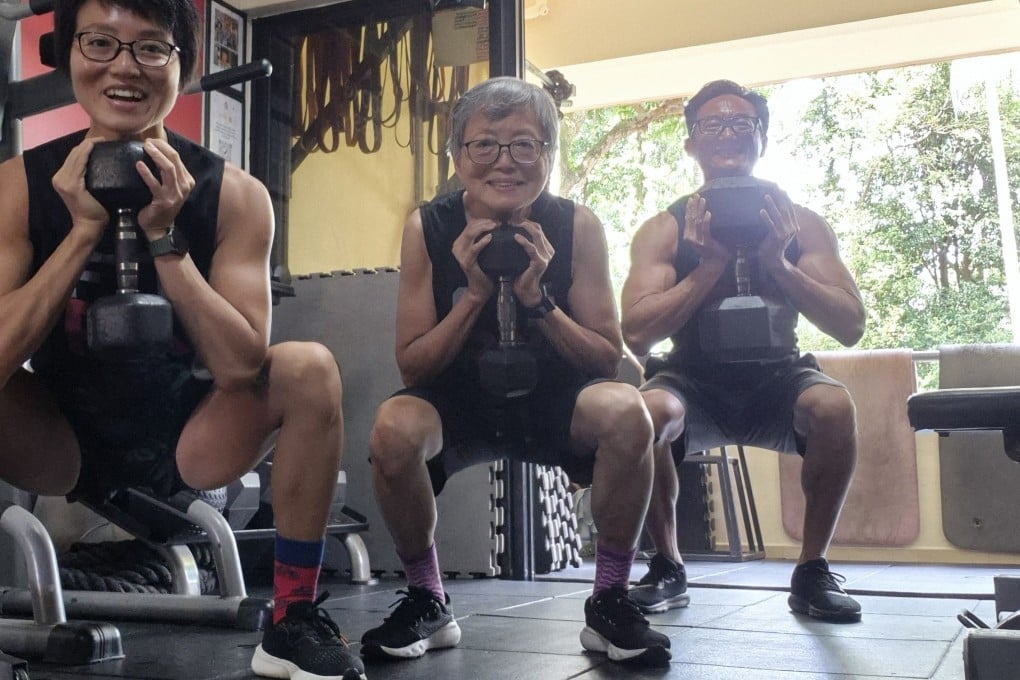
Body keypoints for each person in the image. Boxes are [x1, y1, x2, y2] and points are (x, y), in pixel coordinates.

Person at [0, 2, 365, 679]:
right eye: (101, 43)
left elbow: (240, 365)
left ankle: (291, 619)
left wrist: (165, 239)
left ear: (183, 68)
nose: (123, 68)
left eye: (150, 49)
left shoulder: (237, 197)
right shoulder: (18, 189)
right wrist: (81, 232)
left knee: (309, 368)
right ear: (70, 53)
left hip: (196, 436)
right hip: (59, 440)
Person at [361, 76, 670, 667]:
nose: (505, 162)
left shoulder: (577, 225)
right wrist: (473, 297)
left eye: (525, 145)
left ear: (548, 157)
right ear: (458, 157)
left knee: (627, 411)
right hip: (460, 400)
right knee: (393, 429)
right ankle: (429, 598)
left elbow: (608, 358)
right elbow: (413, 362)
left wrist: (540, 302)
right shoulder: (425, 226)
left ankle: (609, 600)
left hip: (556, 399)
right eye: (485, 145)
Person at [620, 79, 867, 622]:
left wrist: (778, 263)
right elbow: (635, 332)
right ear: (691, 144)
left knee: (834, 407)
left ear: (762, 139)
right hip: (692, 381)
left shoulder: (799, 224)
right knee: (646, 411)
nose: (728, 133)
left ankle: (811, 571)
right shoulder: (665, 228)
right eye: (712, 125)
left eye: (741, 124)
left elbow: (850, 325)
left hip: (779, 379)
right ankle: (667, 565)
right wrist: (707, 267)